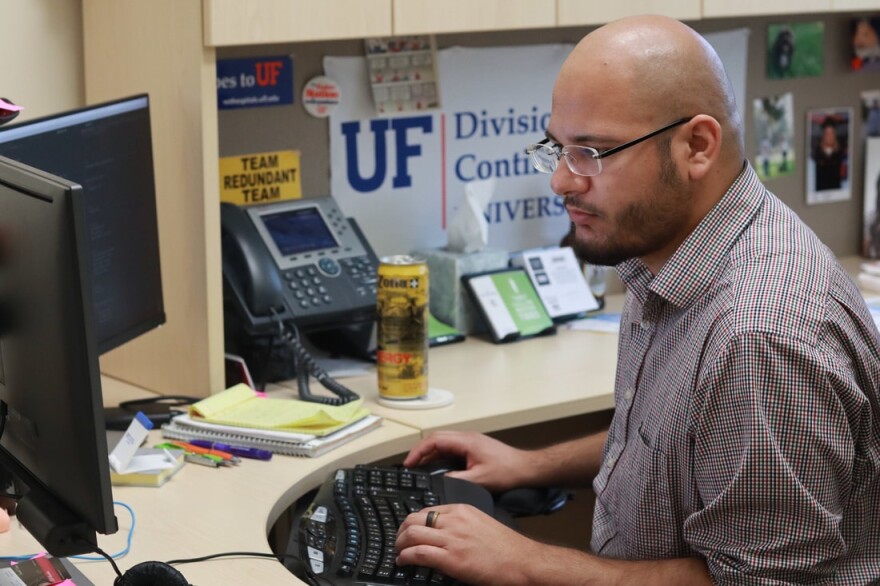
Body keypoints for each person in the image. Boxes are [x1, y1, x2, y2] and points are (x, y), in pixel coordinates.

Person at [395, 15, 880, 585]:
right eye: (558, 147)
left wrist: (526, 563)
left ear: (696, 146)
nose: (561, 181)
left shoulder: (759, 336)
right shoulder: (668, 253)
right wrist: (529, 464)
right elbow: (675, 440)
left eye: (592, 152)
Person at [813, 117, 843, 191]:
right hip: (821, 189)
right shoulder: (818, 152)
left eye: (831, 133)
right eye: (827, 133)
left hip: (835, 189)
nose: (828, 136)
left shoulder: (839, 152)